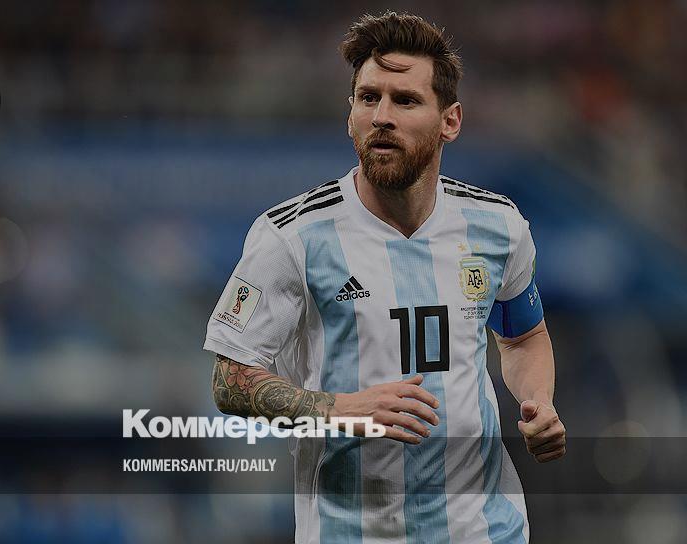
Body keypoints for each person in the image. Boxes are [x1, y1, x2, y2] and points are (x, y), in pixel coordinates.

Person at [204, 11, 565, 543]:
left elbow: (523, 336)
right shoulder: (291, 237)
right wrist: (340, 409)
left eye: (405, 100)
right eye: (368, 98)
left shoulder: (497, 226)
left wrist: (539, 401)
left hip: (485, 530)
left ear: (450, 121)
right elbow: (229, 379)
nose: (381, 116)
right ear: (349, 114)